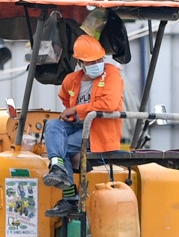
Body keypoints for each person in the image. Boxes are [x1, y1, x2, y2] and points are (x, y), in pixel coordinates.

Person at [42, 33, 125, 217]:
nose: (97, 63)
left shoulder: (111, 74)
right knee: (53, 126)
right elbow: (64, 96)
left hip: (98, 131)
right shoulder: (72, 79)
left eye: (99, 59)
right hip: (76, 126)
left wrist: (77, 110)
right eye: (90, 61)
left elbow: (109, 104)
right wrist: (72, 113)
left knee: (65, 147)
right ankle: (57, 167)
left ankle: (70, 198)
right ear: (80, 62)